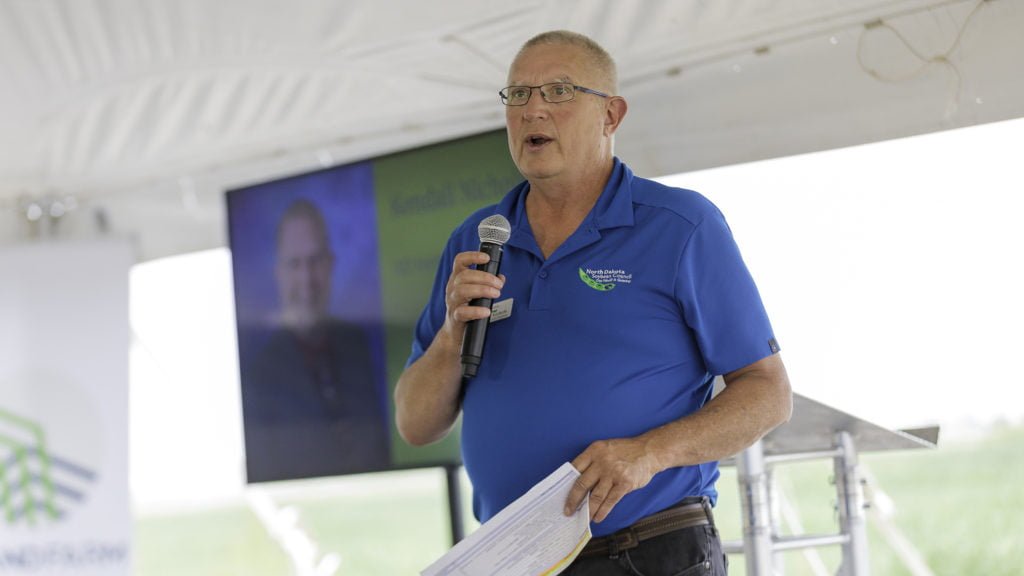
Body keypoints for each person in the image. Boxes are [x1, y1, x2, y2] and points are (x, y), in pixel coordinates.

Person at [395, 30, 791, 574]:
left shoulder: (680, 226)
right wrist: (450, 337)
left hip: (645, 549)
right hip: (514, 558)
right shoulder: (477, 240)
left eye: (558, 91)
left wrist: (648, 453)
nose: (533, 110)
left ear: (611, 115)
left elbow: (768, 393)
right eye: (518, 94)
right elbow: (416, 425)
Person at [242, 198, 390, 482]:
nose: (307, 279)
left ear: (331, 264)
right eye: (294, 264)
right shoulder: (258, 376)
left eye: (315, 261)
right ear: (278, 273)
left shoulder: (357, 344)